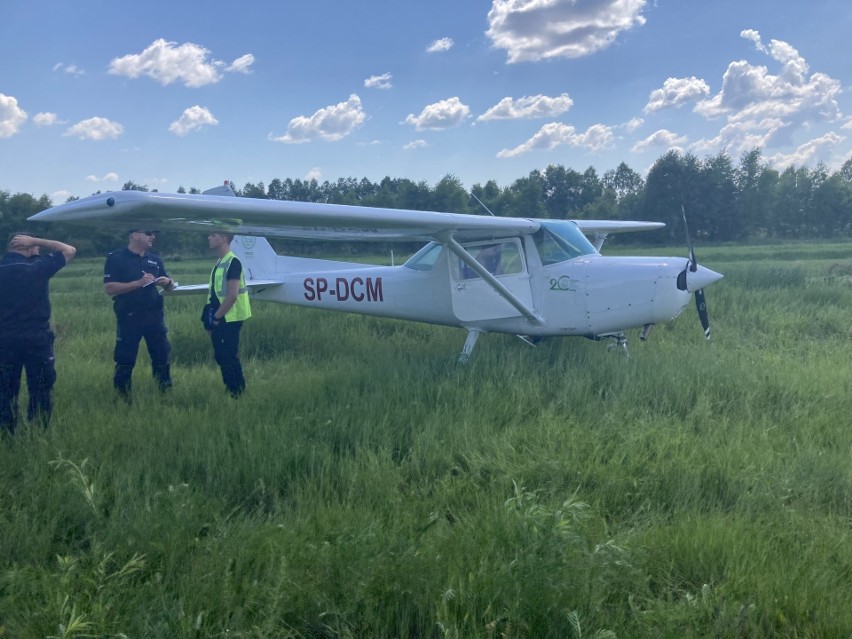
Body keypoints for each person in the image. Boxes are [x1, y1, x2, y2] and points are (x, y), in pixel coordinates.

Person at [0, 233, 76, 434]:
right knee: (41, 388)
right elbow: (69, 250)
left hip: (5, 338)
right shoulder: (38, 268)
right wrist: (37, 241)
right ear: (29, 248)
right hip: (37, 337)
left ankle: (6, 435)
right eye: (36, 248)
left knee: (5, 390)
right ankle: (38, 432)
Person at [103, 229, 175, 398]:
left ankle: (164, 393)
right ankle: (123, 397)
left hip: (154, 316)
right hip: (129, 316)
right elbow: (110, 288)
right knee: (125, 358)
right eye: (148, 233)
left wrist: (168, 282)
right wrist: (138, 283)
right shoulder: (116, 258)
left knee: (161, 355)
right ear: (135, 235)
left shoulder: (154, 259)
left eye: (154, 233)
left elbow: (170, 285)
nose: (153, 237)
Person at [203, 232, 251, 397]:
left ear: (224, 239)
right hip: (221, 317)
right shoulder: (220, 262)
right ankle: (233, 390)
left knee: (228, 356)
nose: (209, 238)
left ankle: (237, 392)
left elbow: (232, 295)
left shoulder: (233, 262)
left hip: (229, 318)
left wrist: (216, 318)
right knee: (223, 356)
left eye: (213, 235)